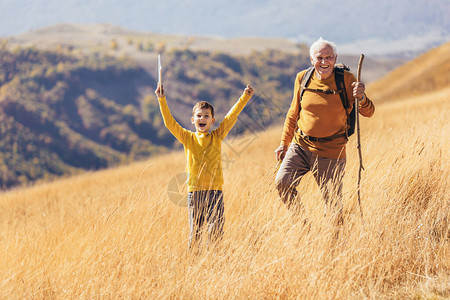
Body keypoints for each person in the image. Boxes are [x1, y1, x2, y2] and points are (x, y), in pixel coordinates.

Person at [274, 37, 375, 223]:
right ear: (312, 60)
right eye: (319, 57)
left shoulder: (347, 80)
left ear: (335, 59)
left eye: (328, 57)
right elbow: (293, 112)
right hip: (301, 146)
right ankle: (303, 225)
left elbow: (369, 112)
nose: (324, 62)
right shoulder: (302, 78)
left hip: (332, 151)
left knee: (333, 206)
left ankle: (334, 244)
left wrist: (361, 98)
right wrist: (284, 143)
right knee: (283, 182)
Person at [155, 82, 254, 249]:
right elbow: (169, 123)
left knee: (216, 233)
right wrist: (161, 99)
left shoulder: (217, 136)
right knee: (196, 234)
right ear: (193, 119)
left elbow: (232, 116)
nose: (202, 119)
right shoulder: (187, 138)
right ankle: (193, 264)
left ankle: (214, 263)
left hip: (215, 192)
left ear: (213, 120)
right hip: (195, 193)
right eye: (199, 116)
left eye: (206, 116)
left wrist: (245, 97)